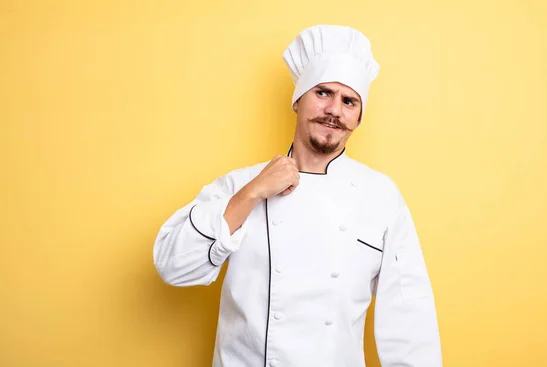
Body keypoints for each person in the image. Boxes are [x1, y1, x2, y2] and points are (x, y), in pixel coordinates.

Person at [153, 24, 442, 367]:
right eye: (323, 93)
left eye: (349, 101)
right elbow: (173, 266)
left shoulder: (380, 197)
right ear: (297, 100)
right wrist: (252, 193)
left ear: (358, 118)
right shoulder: (241, 184)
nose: (334, 110)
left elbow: (409, 317)